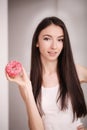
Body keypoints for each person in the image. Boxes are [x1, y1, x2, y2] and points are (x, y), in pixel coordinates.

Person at [5, 16, 87, 130]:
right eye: (47, 38)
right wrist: (27, 86)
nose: (54, 46)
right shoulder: (27, 80)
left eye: (60, 40)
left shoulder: (76, 71)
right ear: (37, 42)